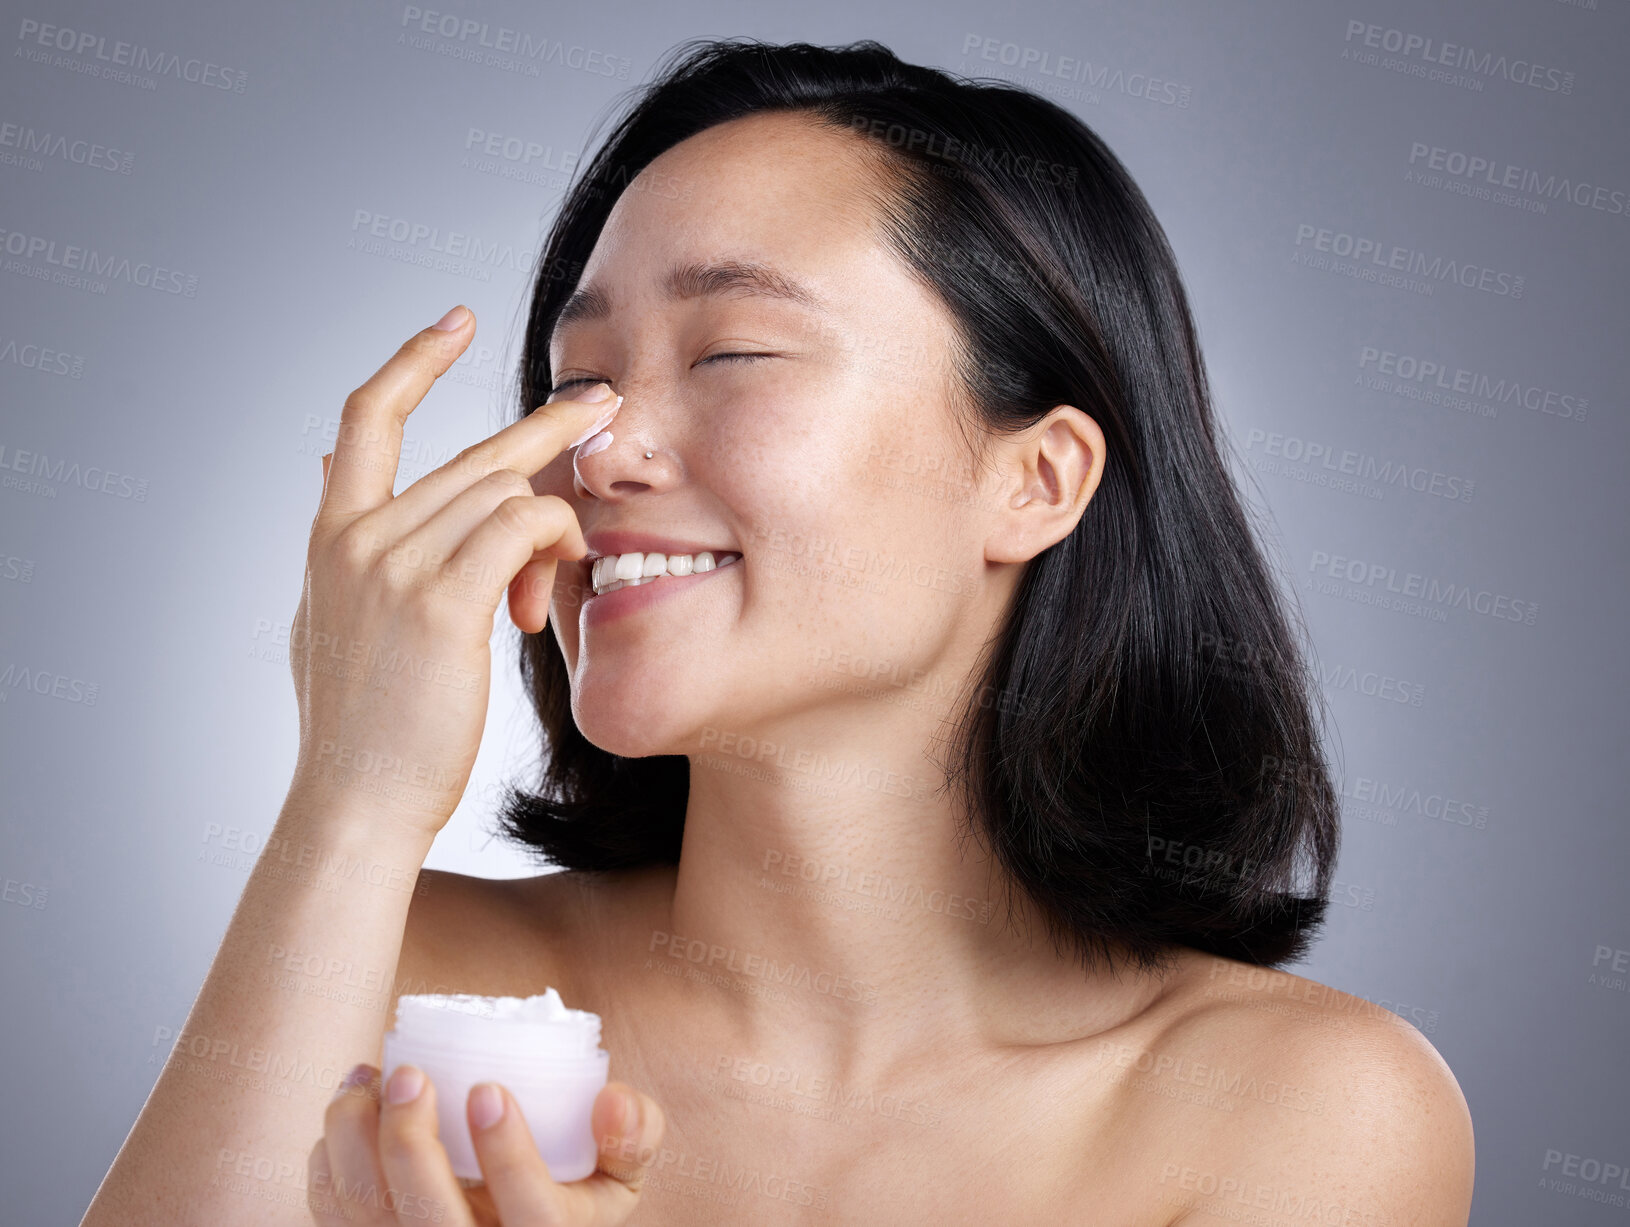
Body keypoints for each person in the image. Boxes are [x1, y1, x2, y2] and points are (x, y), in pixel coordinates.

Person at [82, 38, 1474, 1227]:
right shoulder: (394, 980)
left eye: (732, 353)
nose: (601, 451)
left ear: (1032, 480)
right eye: (575, 382)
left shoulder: (1300, 1115)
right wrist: (350, 795)